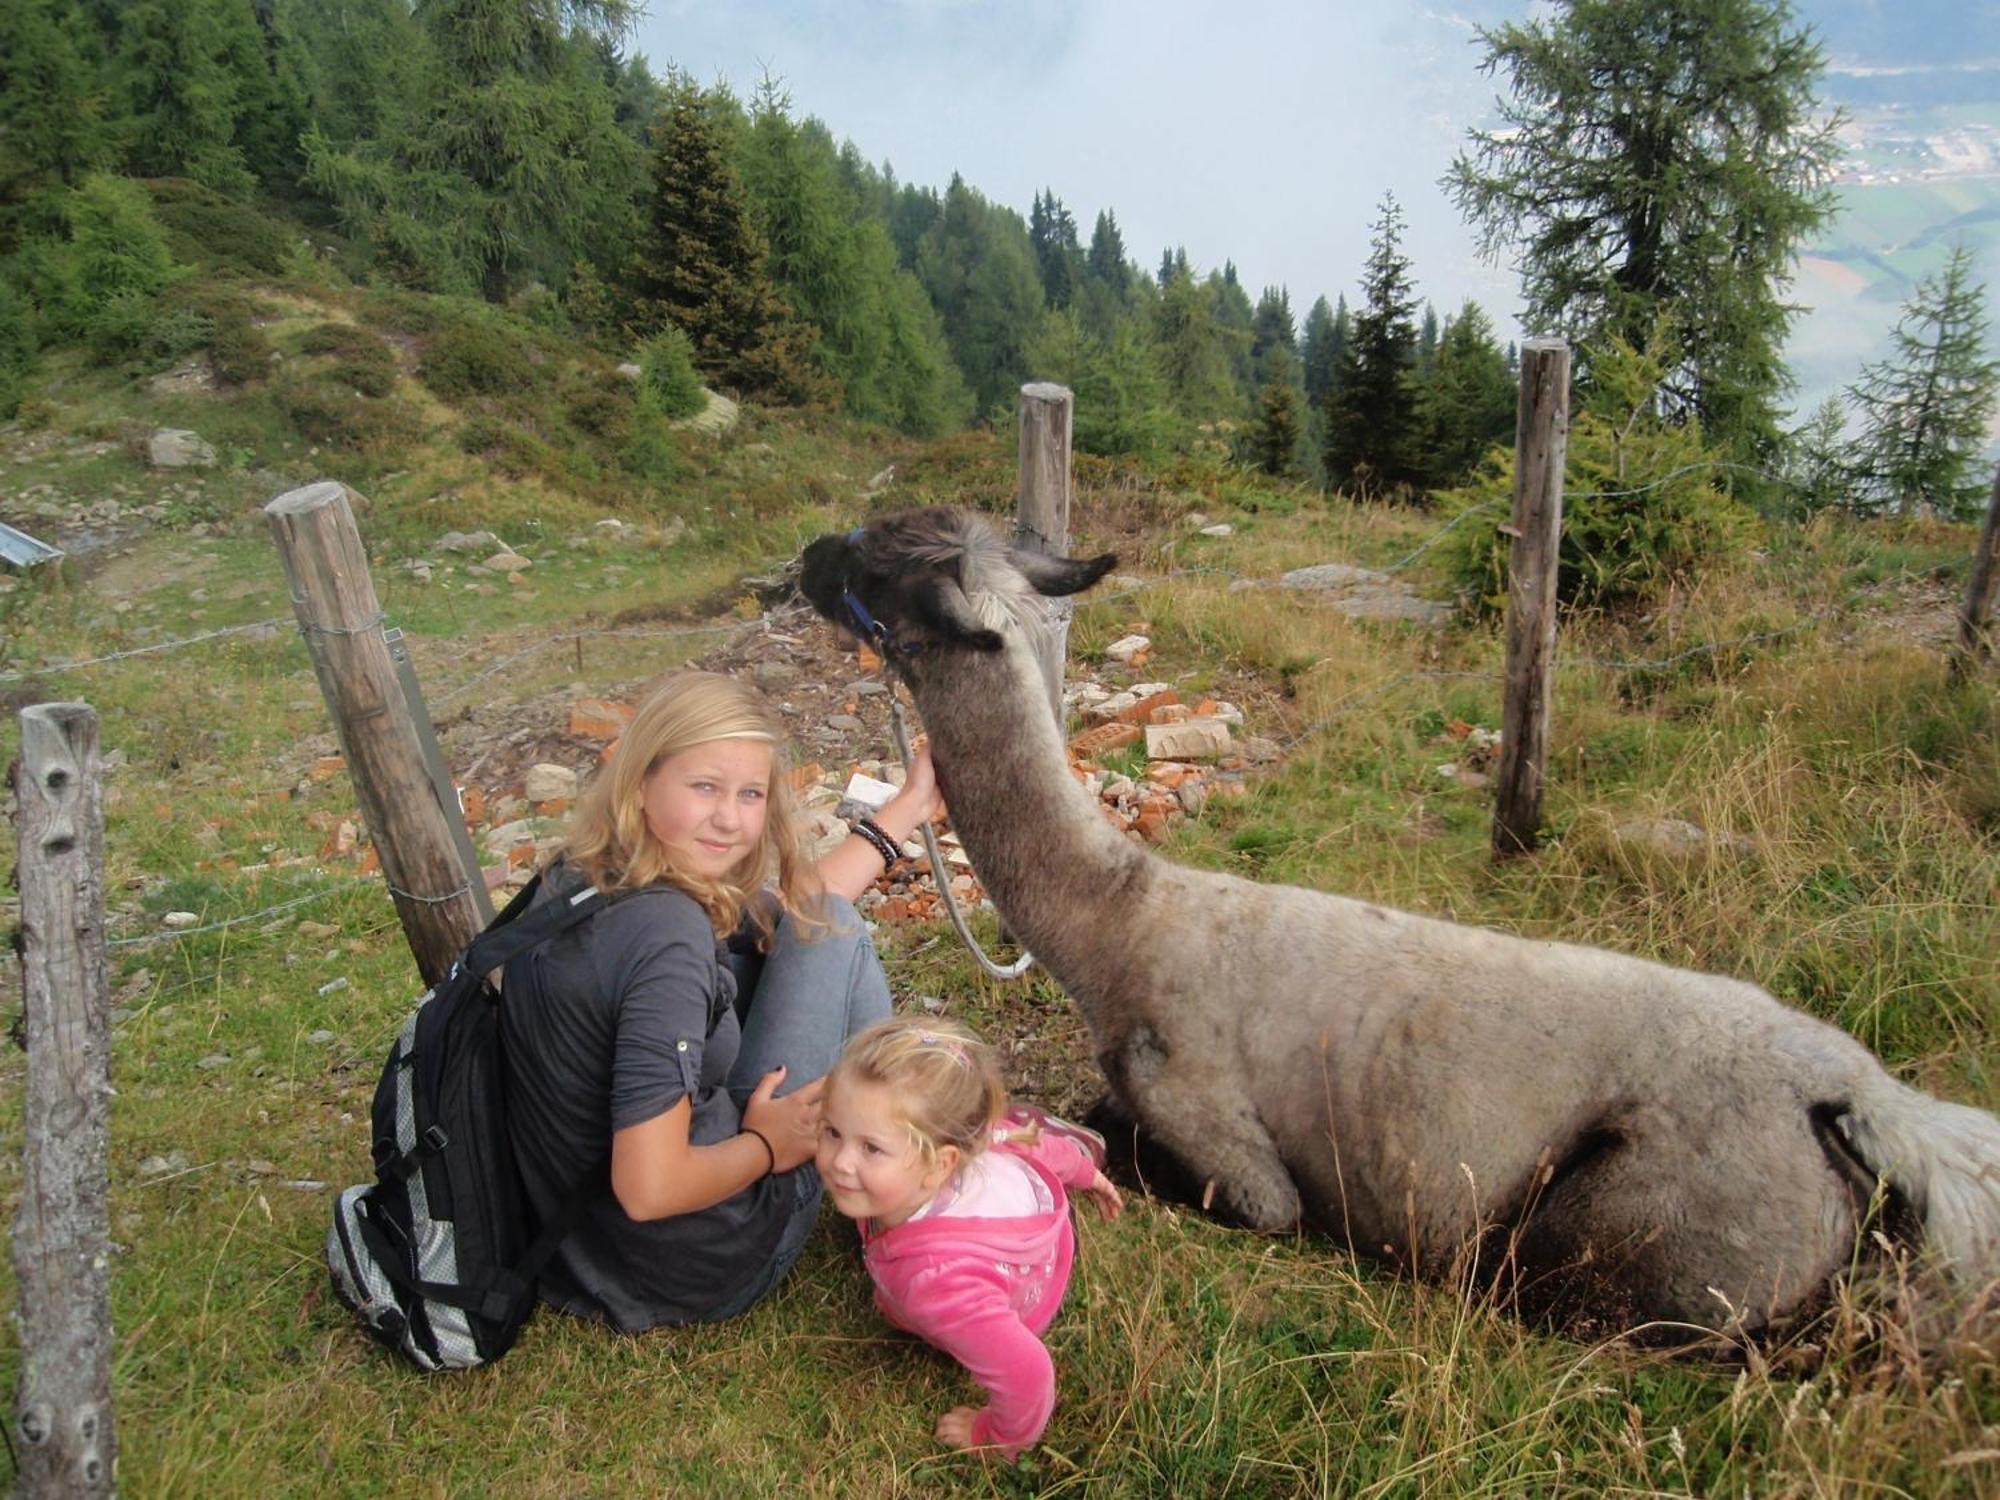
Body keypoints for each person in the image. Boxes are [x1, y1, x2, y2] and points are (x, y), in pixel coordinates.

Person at [500, 669, 941, 1331]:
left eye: (750, 794)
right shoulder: (667, 943)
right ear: (642, 780)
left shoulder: (584, 873)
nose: (730, 818)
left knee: (811, 924)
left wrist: (908, 805)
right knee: (839, 931)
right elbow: (648, 1190)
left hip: (581, 1253)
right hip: (700, 1261)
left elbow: (791, 910)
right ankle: (904, 1191)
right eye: (704, 787)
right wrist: (769, 1147)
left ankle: (894, 1151)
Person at [817, 1016, 1124, 1457]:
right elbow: (1025, 1145)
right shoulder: (974, 1144)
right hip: (1027, 1203)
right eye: (833, 1132)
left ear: (942, 1165)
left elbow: (1028, 1373)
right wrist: (1085, 1173)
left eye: (871, 1148)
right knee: (1015, 1130)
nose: (840, 1161)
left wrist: (999, 1438)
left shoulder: (940, 1284)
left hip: (1026, 1285)